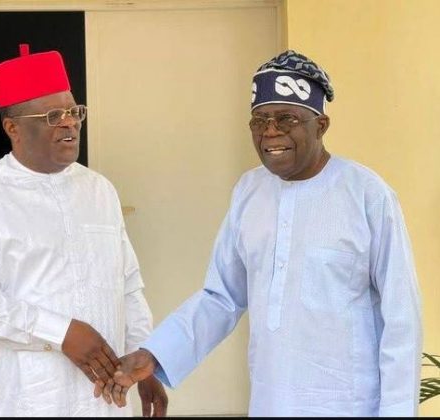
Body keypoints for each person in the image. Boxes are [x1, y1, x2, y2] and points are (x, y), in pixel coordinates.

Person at [106, 50, 423, 416]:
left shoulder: (367, 195)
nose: (270, 131)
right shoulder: (249, 191)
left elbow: (402, 318)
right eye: (260, 121)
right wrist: (154, 354)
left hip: (349, 405)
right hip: (270, 403)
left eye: (287, 118)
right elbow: (221, 297)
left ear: (321, 125)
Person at [0, 44, 167, 417]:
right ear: (12, 128)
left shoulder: (99, 189)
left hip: (103, 396)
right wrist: (61, 332)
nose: (69, 122)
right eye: (52, 115)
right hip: (20, 397)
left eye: (74, 112)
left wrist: (143, 356)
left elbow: (128, 284)